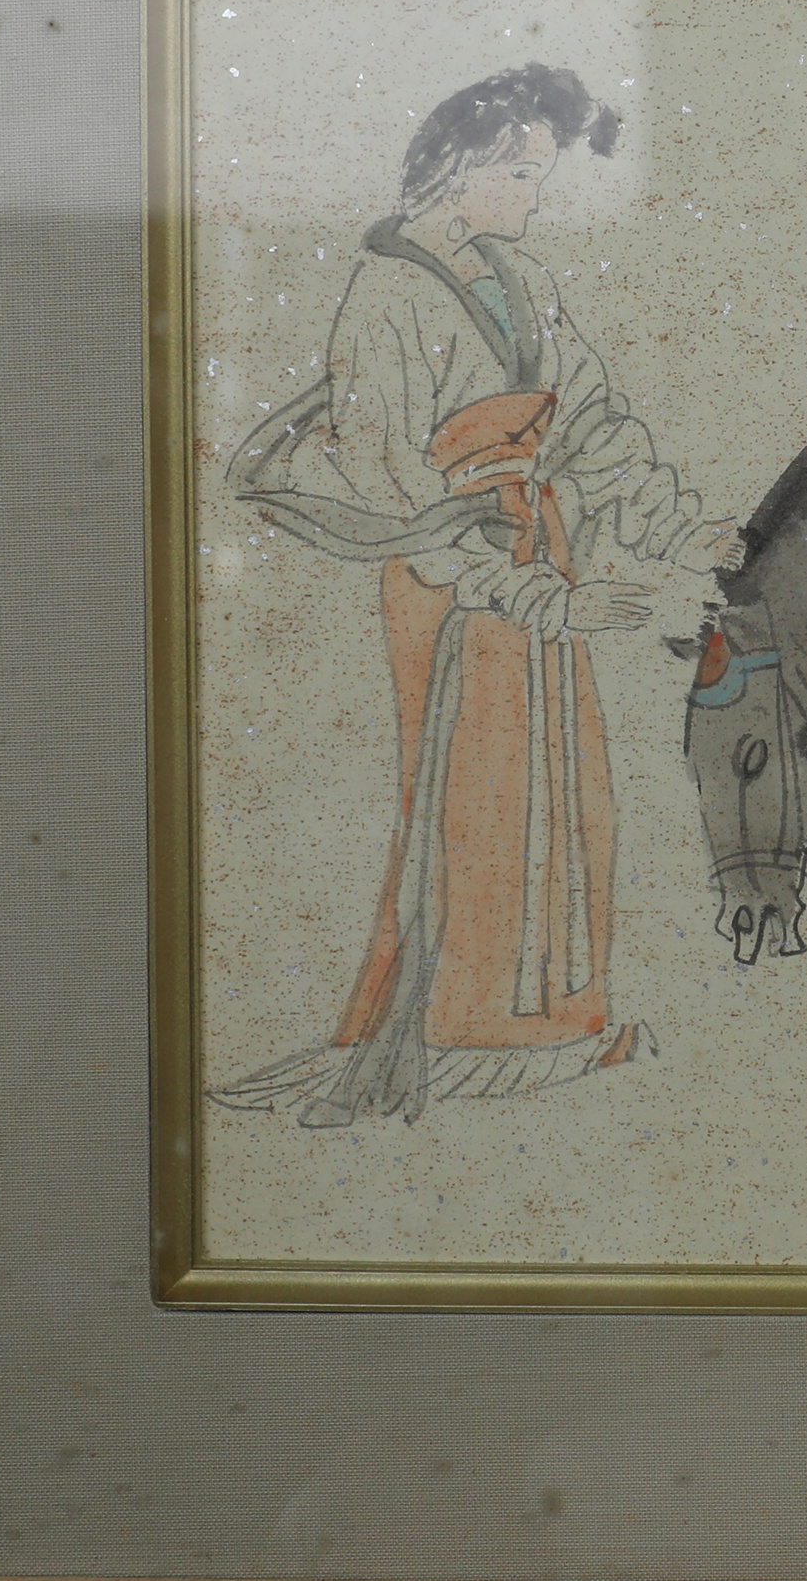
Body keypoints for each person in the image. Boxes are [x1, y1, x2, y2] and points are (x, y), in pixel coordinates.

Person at [213, 64, 740, 1126]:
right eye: (522, 174)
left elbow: (593, 425)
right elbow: (388, 478)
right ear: (459, 172)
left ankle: (549, 1022)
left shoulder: (522, 279)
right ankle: (453, 1029)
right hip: (449, 574)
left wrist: (689, 534)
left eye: (540, 174)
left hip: (541, 550)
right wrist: (533, 596)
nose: (536, 196)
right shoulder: (386, 294)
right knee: (474, 796)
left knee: (567, 785)